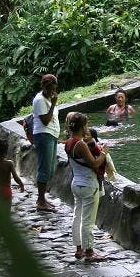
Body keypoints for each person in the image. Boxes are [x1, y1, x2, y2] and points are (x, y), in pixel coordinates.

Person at [64, 112, 107, 262]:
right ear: (82, 127)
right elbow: (94, 163)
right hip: (89, 185)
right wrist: (104, 153)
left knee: (77, 217)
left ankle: (78, 249)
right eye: (86, 125)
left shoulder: (69, 142)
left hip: (76, 183)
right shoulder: (80, 144)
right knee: (88, 220)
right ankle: (89, 252)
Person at [31, 73, 59, 212]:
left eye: (53, 89)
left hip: (51, 135)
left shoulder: (48, 98)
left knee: (49, 169)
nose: (52, 92)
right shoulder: (39, 100)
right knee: (44, 168)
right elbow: (45, 120)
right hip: (43, 135)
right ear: (43, 87)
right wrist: (53, 105)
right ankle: (40, 201)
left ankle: (42, 198)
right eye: (49, 89)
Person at [0, 140, 25, 208]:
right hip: (6, 190)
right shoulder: (9, 163)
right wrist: (21, 184)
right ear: (6, 152)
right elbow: (15, 177)